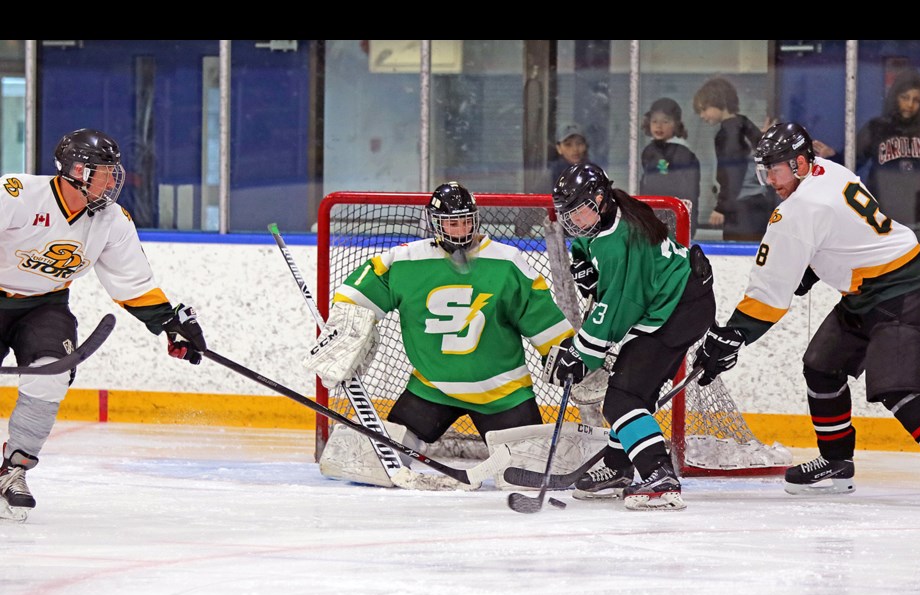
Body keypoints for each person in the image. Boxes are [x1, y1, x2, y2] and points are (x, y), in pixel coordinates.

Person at [693, 121, 920, 507]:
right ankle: (836, 462)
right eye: (764, 170)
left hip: (901, 290)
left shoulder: (801, 207)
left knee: (897, 386)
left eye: (776, 169)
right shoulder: (828, 171)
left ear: (801, 163)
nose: (770, 180)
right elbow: (844, 235)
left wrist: (733, 335)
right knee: (821, 366)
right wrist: (811, 269)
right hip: (869, 286)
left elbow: (769, 292)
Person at [302, 181, 582, 489]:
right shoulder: (406, 260)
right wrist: (345, 333)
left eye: (465, 220)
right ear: (435, 223)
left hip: (503, 392)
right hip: (432, 390)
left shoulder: (507, 262)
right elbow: (354, 296)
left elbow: (541, 317)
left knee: (525, 478)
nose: (460, 229)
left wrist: (566, 353)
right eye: (451, 222)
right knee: (372, 467)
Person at [0, 128, 207, 522]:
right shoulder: (17, 194)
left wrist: (170, 323)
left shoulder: (111, 220)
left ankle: (14, 471)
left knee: (49, 374)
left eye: (114, 172)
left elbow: (134, 283)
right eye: (105, 171)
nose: (113, 181)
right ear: (77, 170)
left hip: (44, 305)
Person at [547, 162, 717, 510]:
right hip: (678, 301)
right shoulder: (609, 213)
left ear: (599, 198)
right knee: (635, 392)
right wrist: (581, 263)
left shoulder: (622, 242)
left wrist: (579, 356)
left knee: (622, 399)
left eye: (579, 211)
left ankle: (660, 476)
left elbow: (616, 311)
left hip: (675, 312)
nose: (574, 221)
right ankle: (618, 466)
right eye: (570, 214)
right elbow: (585, 244)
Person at [814, 67, 920, 245]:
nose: (910, 105)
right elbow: (851, 163)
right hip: (882, 220)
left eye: (916, 100)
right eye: (905, 98)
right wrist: (833, 156)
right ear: (895, 96)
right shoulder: (877, 128)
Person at [693, 77, 775, 241]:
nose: (702, 115)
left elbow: (731, 173)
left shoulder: (727, 134)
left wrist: (722, 207)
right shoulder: (745, 124)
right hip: (760, 203)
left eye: (704, 109)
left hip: (741, 209)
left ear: (719, 102)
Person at [638, 97, 701, 240]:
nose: (659, 126)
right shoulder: (649, 151)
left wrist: (689, 222)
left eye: (665, 121)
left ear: (676, 124)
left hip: (674, 217)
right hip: (652, 216)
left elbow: (689, 192)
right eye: (654, 121)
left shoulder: (683, 153)